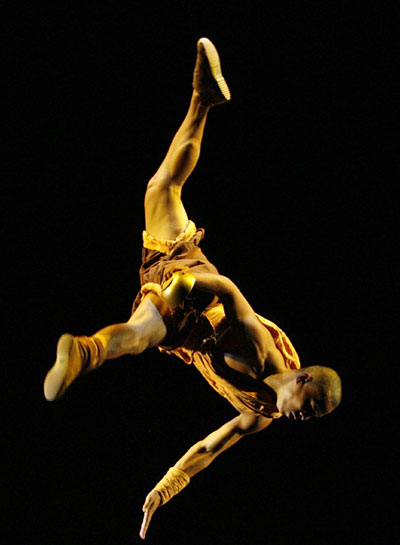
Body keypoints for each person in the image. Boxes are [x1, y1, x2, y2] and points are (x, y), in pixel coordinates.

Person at [43, 38, 342, 540]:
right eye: (310, 405)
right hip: (193, 299)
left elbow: (207, 449)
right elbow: (228, 289)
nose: (304, 417)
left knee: (162, 189)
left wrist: (164, 488)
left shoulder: (259, 415)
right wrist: (187, 283)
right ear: (304, 378)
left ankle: (203, 99)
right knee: (142, 332)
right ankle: (88, 350)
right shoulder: (265, 355)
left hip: (183, 293)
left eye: (312, 418)